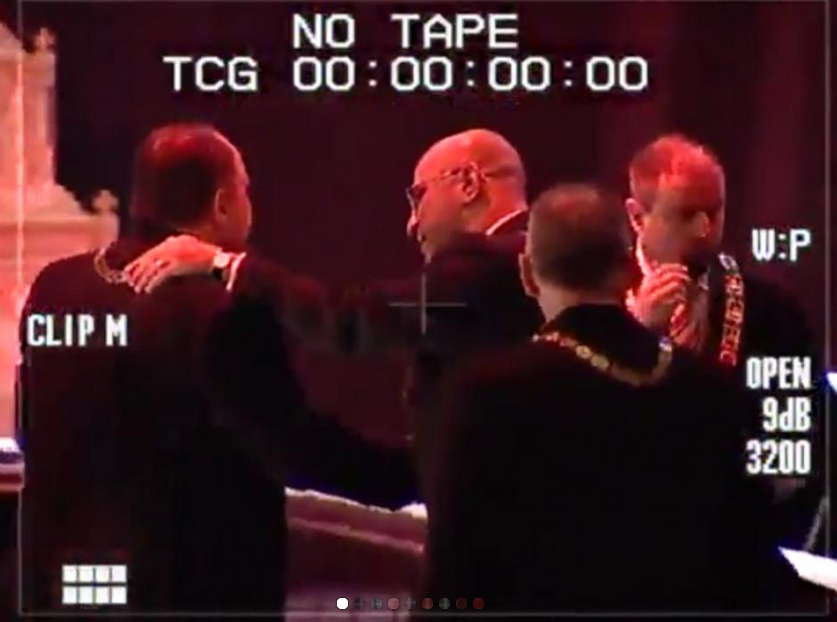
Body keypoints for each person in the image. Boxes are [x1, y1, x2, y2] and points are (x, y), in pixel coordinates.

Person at [18, 123, 410, 615]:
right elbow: (292, 446)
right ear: (223, 204)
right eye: (245, 189)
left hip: (69, 588)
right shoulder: (224, 306)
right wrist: (413, 475)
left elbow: (32, 426)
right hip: (186, 591)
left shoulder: (54, 288)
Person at [420, 183, 812, 613]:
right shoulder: (711, 391)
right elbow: (745, 569)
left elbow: (454, 578)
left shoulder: (488, 396)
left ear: (527, 275)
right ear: (628, 269)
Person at [122, 128, 543, 506]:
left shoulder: (490, 267)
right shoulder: (514, 265)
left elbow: (352, 319)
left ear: (468, 183)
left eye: (418, 197)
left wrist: (224, 264)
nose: (411, 224)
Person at [624, 134, 823, 549]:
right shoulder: (595, 297)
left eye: (714, 212)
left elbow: (796, 439)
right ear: (637, 217)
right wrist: (636, 336)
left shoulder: (774, 312)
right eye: (687, 214)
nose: (705, 229)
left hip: (736, 537)